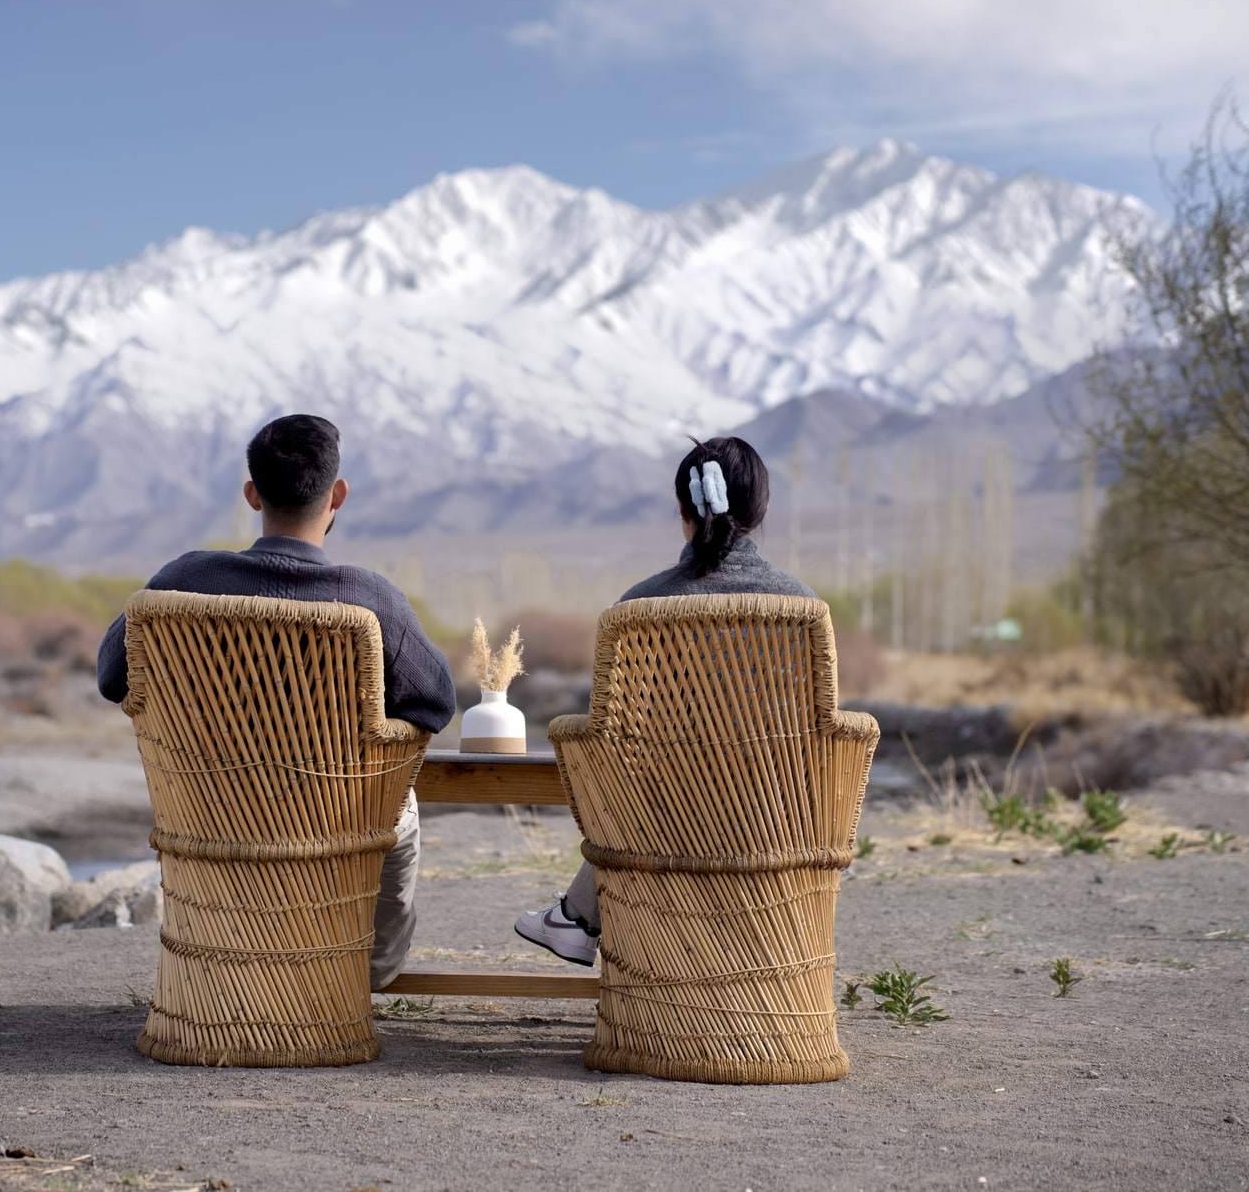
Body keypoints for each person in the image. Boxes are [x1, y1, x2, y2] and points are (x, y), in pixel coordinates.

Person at [96, 414, 456, 990]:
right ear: (338, 494)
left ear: (251, 493)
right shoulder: (371, 600)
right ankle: (357, 969)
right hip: (335, 824)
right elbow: (434, 706)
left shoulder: (180, 581)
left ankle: (227, 960)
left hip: (209, 818)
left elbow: (112, 676)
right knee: (400, 809)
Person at [513, 435, 814, 966]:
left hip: (663, 823)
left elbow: (614, 721)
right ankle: (575, 918)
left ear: (683, 511)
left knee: (652, 771)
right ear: (760, 510)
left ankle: (578, 919)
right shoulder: (802, 607)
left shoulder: (644, 604)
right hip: (780, 820)